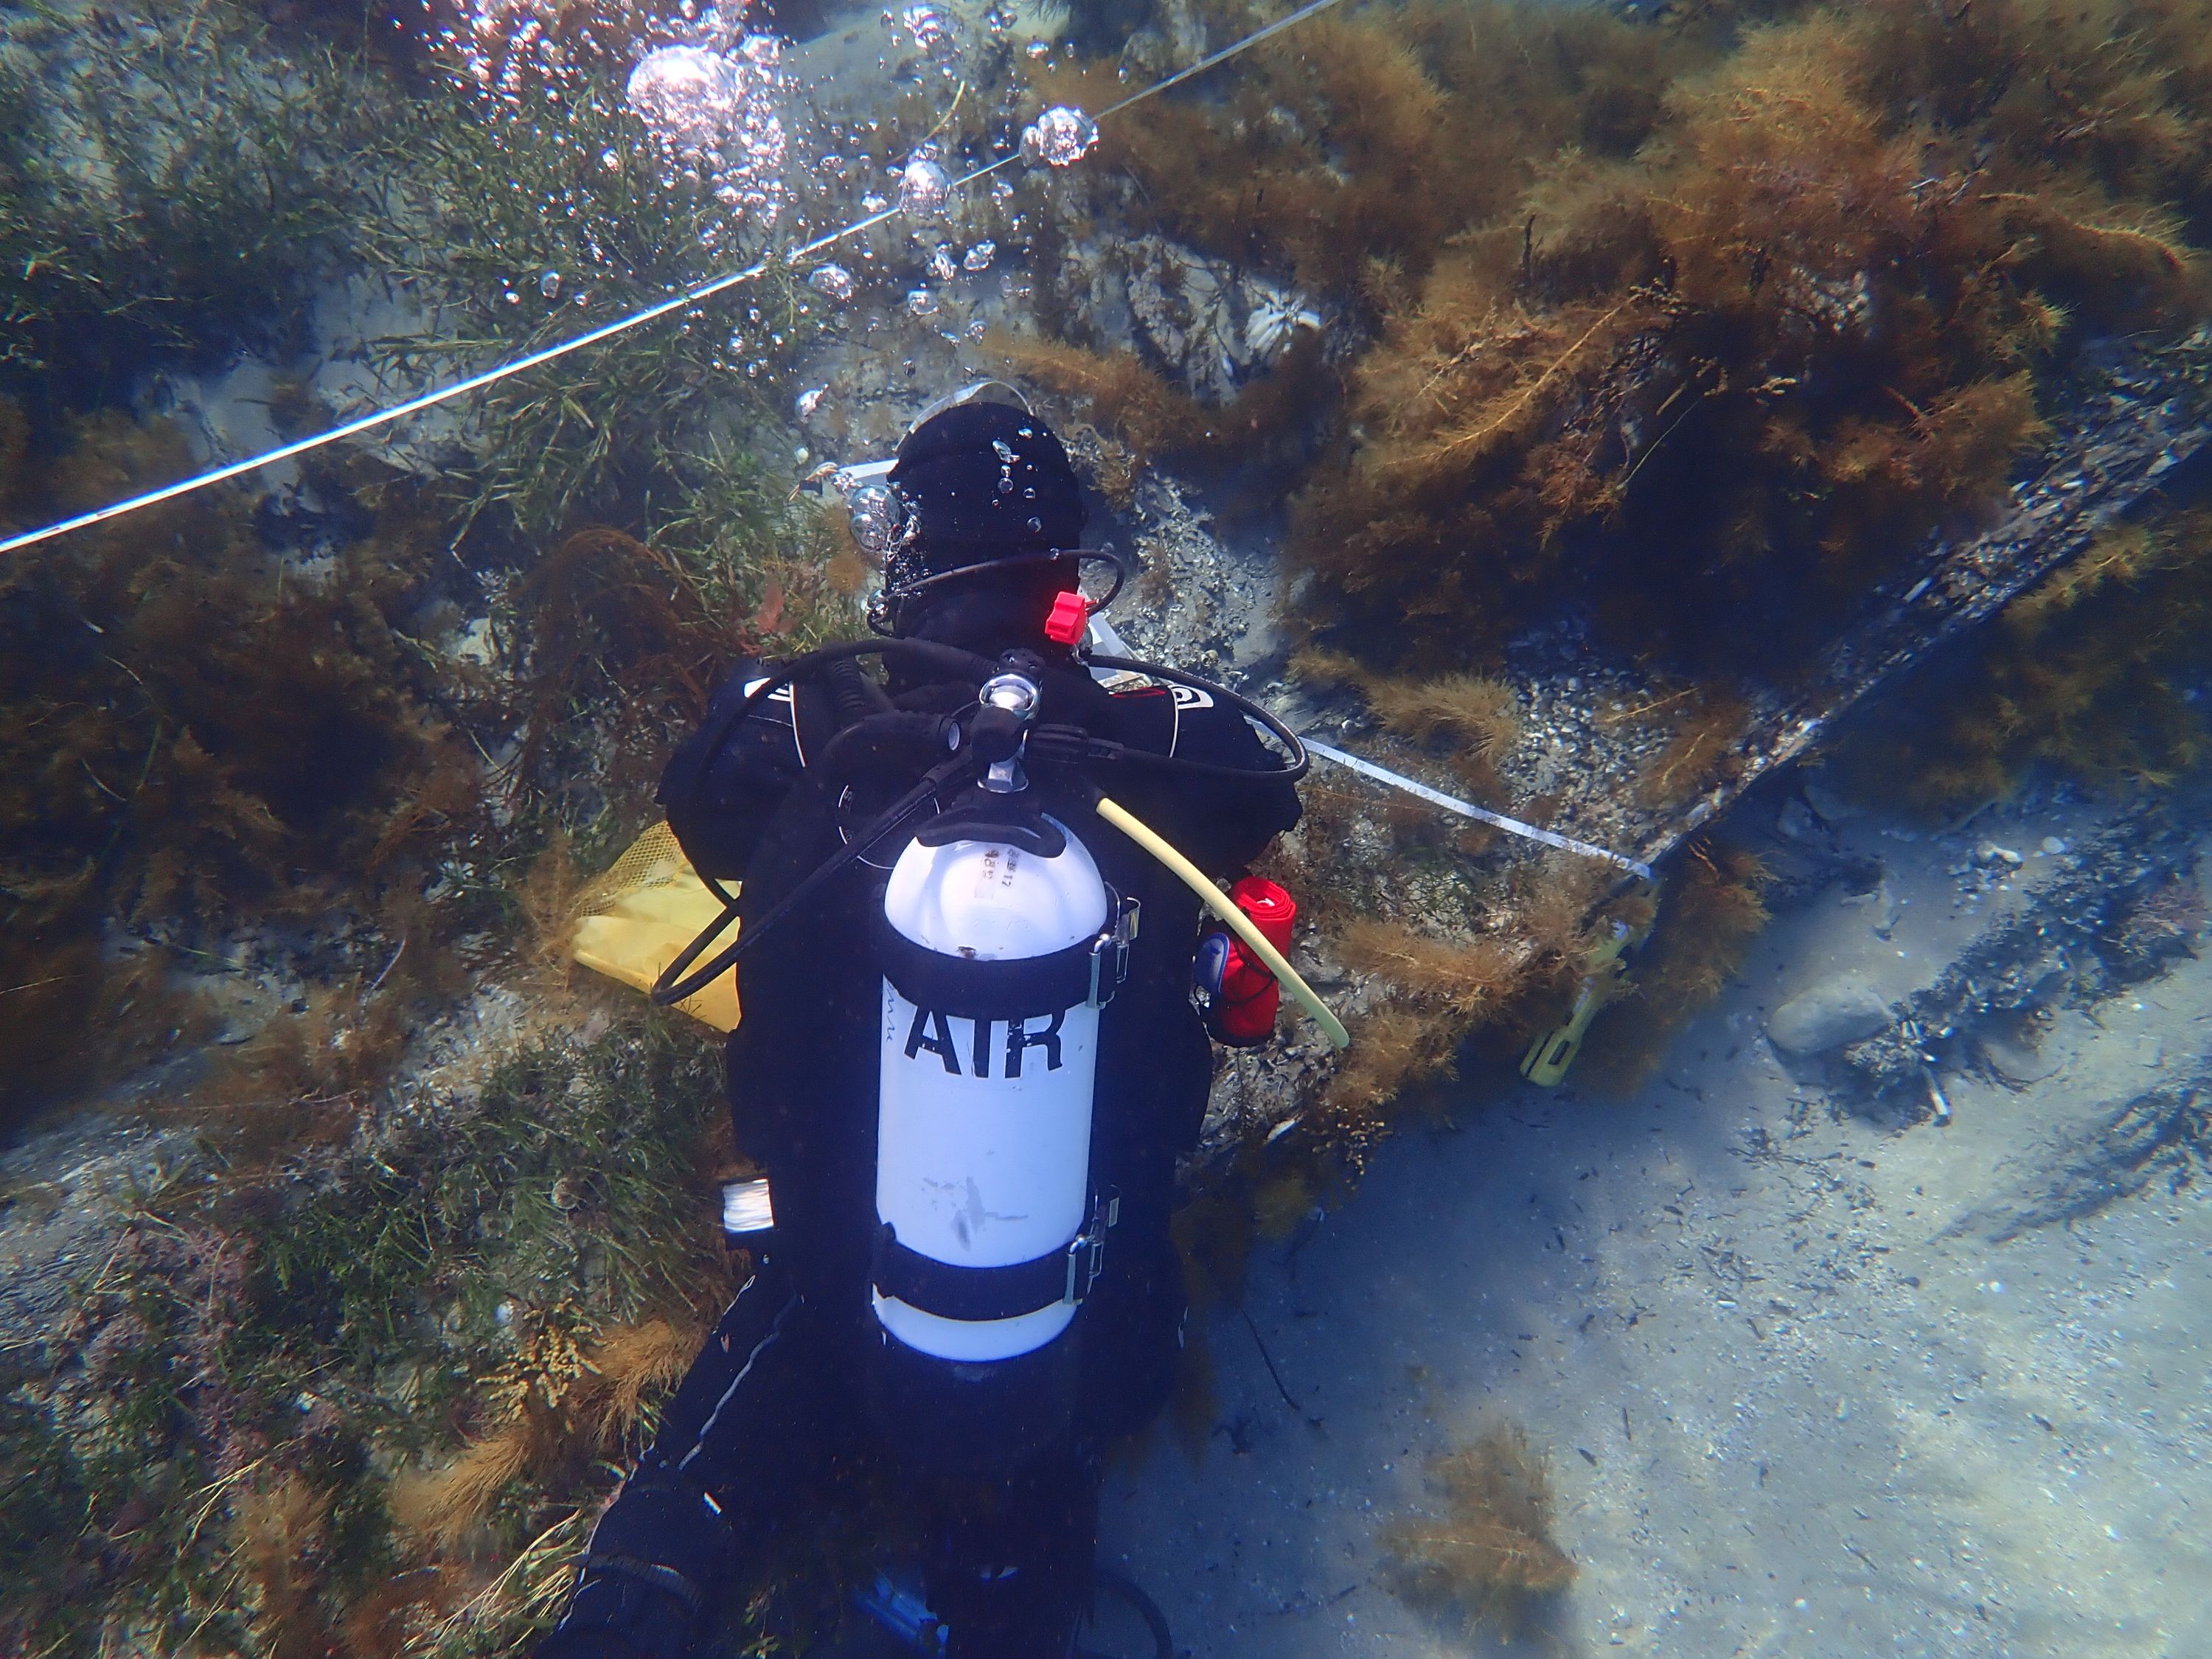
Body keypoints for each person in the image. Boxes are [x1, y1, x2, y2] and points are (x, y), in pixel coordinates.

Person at [538, 393, 1303, 1658]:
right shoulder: (1163, 759)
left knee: (678, 1526)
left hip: (842, 1285)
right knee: (1037, 1530)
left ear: (912, 563)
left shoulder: (821, 730)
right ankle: (1011, 1589)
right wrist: (1094, 718)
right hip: (1087, 1309)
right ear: (1067, 576)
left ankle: (639, 1601)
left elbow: (696, 796)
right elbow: (1268, 777)